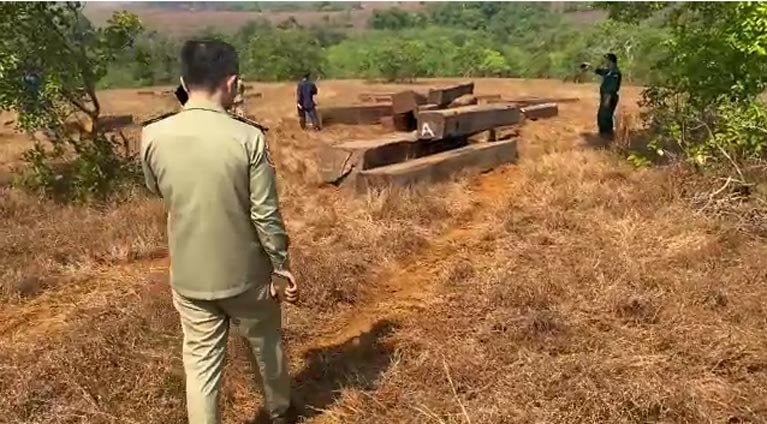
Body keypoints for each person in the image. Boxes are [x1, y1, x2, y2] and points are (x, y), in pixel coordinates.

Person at [140, 39, 299, 424]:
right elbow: (265, 215)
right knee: (266, 347)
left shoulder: (152, 136)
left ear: (183, 81)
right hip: (247, 276)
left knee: (200, 367)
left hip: (189, 275)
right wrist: (280, 266)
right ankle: (279, 412)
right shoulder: (248, 138)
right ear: (232, 83)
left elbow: (157, 189)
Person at [583, 53, 622, 138]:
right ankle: (604, 135)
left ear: (611, 61)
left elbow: (612, 87)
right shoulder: (609, 71)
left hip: (609, 96)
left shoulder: (615, 72)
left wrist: (607, 99)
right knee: (602, 117)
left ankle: (607, 136)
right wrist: (589, 66)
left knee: (605, 117)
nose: (605, 62)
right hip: (606, 96)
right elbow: (598, 71)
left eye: (606, 60)